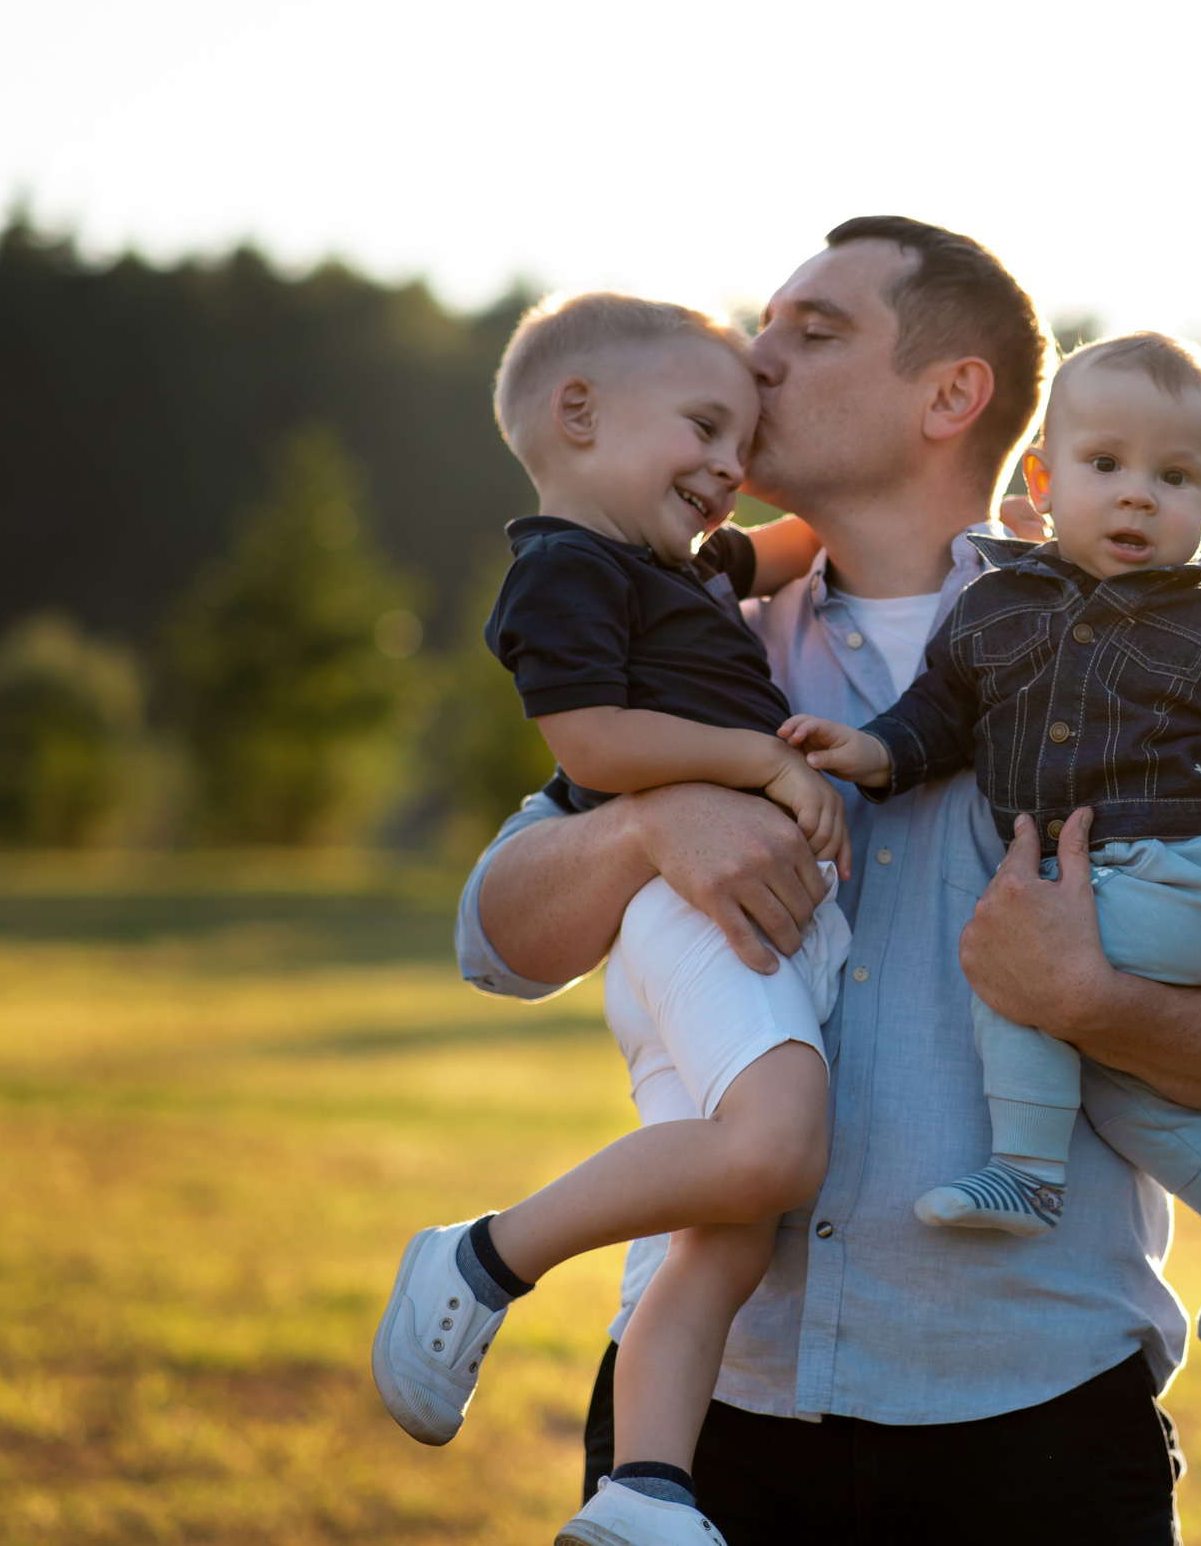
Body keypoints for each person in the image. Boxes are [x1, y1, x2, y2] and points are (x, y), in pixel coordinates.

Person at [453, 218, 1201, 1544]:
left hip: (1034, 1423)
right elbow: (497, 938)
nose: (757, 357)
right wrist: (649, 828)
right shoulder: (698, 656)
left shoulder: (1170, 656)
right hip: (700, 1429)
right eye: (766, 324)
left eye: (812, 333)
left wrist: (1089, 997)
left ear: (951, 395)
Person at [370, 291, 853, 1546]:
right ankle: (486, 1255)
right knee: (773, 1150)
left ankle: (646, 1486)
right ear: (577, 414)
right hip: (680, 902)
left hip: (731, 904)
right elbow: (591, 739)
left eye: (741, 442)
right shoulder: (564, 566)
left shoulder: (679, 563)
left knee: (734, 1226)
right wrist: (757, 765)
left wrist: (1003, 518)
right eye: (703, 423)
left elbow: (802, 541)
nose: (729, 468)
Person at [781, 330, 1201, 1346]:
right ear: (1046, 480)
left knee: (1019, 977)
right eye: (1105, 466)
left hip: (1173, 881)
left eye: (1175, 476)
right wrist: (872, 753)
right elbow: (940, 711)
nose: (1138, 496)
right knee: (1110, 1079)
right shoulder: (997, 605)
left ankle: (1027, 1173)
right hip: (1101, 890)